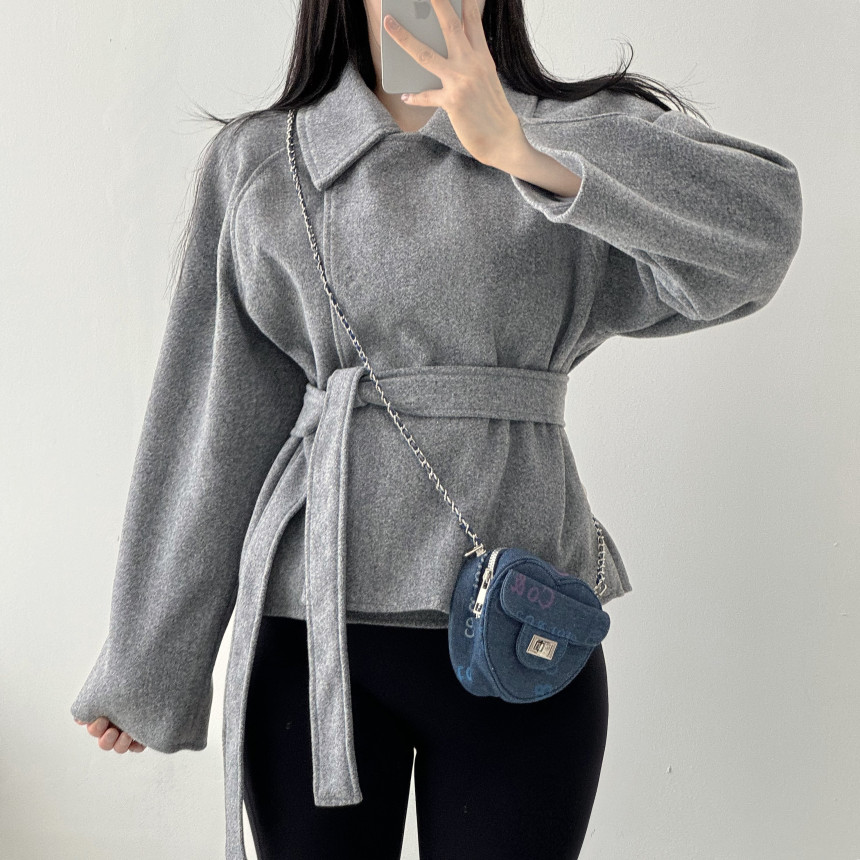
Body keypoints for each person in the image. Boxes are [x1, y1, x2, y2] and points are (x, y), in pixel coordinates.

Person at [71, 0, 804, 857]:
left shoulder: (579, 133)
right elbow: (212, 416)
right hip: (310, 643)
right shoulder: (263, 159)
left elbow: (764, 231)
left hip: (523, 635)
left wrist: (522, 152)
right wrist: (149, 660)